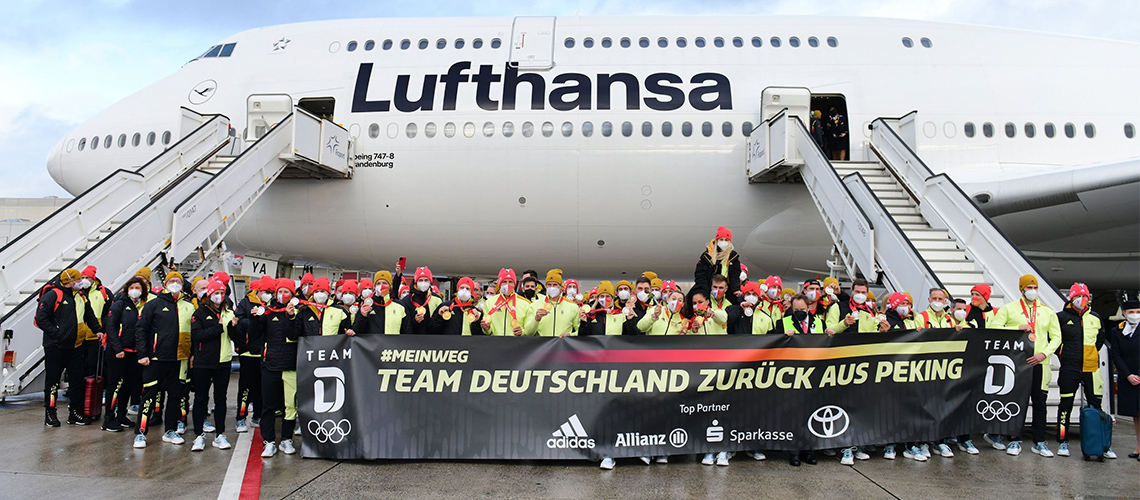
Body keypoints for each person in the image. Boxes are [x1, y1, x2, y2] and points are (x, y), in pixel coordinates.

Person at [988, 275, 1061, 457]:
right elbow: (994, 328)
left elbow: (1057, 337)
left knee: (1039, 403)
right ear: (1022, 289)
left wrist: (1043, 354)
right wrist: (1016, 329)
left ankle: (1039, 442)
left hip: (1040, 363)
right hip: (1017, 364)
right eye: (1029, 286)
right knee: (1017, 402)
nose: (1032, 290)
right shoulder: (1009, 309)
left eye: (1035, 286)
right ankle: (1014, 439)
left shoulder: (1047, 311)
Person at [133, 271, 195, 448]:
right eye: (171, 281)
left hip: (179, 359)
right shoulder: (154, 304)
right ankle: (140, 433)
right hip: (156, 358)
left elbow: (194, 333)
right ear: (166, 283)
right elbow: (141, 329)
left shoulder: (189, 305)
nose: (175, 284)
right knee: (149, 396)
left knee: (176, 395)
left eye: (178, 281)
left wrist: (192, 355)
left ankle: (170, 430)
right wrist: (143, 354)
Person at [1054, 283, 1114, 458]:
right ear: (1071, 298)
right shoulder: (1061, 317)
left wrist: (1090, 354)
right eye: (1078, 296)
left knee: (1096, 405)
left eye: (1085, 296)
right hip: (1069, 368)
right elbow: (1054, 338)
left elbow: (1100, 339)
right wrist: (1063, 355)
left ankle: (1103, 443)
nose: (1082, 299)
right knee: (1065, 405)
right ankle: (1063, 441)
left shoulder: (1095, 317)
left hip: (1090, 368)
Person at [36, 268, 102, 428]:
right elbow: (40, 318)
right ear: (69, 282)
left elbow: (89, 315)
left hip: (76, 345)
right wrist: (57, 333)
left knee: (77, 381)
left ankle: (75, 412)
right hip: (56, 346)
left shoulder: (81, 296)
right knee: (52, 382)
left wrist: (98, 330)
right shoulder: (53, 295)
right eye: (78, 280)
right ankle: (50, 413)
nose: (81, 282)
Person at [774, 294, 823, 466]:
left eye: (802, 310)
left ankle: (808, 451)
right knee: (794, 414)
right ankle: (794, 452)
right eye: (796, 310)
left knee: (811, 413)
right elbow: (770, 340)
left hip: (813, 374)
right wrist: (782, 337)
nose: (799, 313)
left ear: (809, 308)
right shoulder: (783, 323)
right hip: (792, 375)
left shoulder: (819, 322)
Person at [188, 280, 236, 451]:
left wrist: (235, 327)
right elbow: (196, 335)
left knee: (220, 398)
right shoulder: (200, 313)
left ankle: (220, 434)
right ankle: (198, 435)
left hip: (223, 361)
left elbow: (235, 337)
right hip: (204, 362)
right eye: (216, 293)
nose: (219, 297)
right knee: (201, 398)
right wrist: (218, 328)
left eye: (222, 294)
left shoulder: (229, 312)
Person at [259, 278, 302, 458]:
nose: (282, 295)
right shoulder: (268, 312)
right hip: (271, 364)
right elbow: (256, 335)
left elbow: (294, 335)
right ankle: (268, 440)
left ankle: (286, 438)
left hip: (290, 365)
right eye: (280, 291)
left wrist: (291, 317)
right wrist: (256, 319)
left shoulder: (298, 313)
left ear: (293, 295)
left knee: (289, 406)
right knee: (269, 405)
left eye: (287, 292)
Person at [101, 276, 147, 432]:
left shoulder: (140, 306)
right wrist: (118, 348)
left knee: (127, 385)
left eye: (138, 288)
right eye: (132, 287)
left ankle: (121, 414)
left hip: (133, 353)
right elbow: (111, 327)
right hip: (118, 353)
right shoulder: (119, 304)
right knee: (115, 385)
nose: (135, 290)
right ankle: (108, 419)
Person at [233, 276, 270, 433]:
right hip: (248, 352)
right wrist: (255, 321)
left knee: (261, 388)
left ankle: (257, 415)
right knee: (245, 387)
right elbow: (239, 322)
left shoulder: (272, 305)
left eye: (270, 292)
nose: (268, 294)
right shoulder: (246, 303)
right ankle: (240, 418)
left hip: (264, 353)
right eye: (265, 291)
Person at [1107, 300, 1140, 461]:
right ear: (1125, 314)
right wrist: (1128, 375)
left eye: (1138, 312)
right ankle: (1139, 447)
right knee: (1136, 414)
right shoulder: (1117, 331)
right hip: (1128, 378)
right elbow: (1116, 355)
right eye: (1131, 312)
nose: (1135, 315)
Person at [525, 270, 580, 337]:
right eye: (549, 285)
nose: (552, 287)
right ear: (546, 286)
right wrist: (536, 319)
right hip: (542, 346)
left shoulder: (572, 307)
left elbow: (580, 330)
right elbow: (528, 333)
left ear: (561, 287)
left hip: (563, 345)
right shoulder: (535, 305)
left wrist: (570, 335)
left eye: (555, 285)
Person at [694, 226, 742, 302]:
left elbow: (735, 275)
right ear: (717, 240)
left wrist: (736, 289)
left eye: (726, 240)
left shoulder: (733, 257)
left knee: (738, 302)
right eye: (721, 239)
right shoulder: (707, 256)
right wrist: (703, 290)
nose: (723, 242)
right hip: (709, 287)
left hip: (727, 288)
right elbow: (700, 274)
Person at [481, 269, 532, 336]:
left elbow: (529, 329)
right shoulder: (490, 302)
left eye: (510, 282)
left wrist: (522, 331)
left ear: (514, 284)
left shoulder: (525, 303)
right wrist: (487, 329)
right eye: (504, 282)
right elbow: (488, 329)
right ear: (499, 284)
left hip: (517, 343)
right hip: (496, 343)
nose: (507, 284)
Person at [402, 267, 444, 335]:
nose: (423, 283)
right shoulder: (407, 300)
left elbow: (440, 324)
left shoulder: (437, 299)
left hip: (432, 339)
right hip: (413, 340)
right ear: (416, 282)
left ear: (430, 282)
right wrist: (415, 321)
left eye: (426, 280)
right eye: (420, 280)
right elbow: (405, 326)